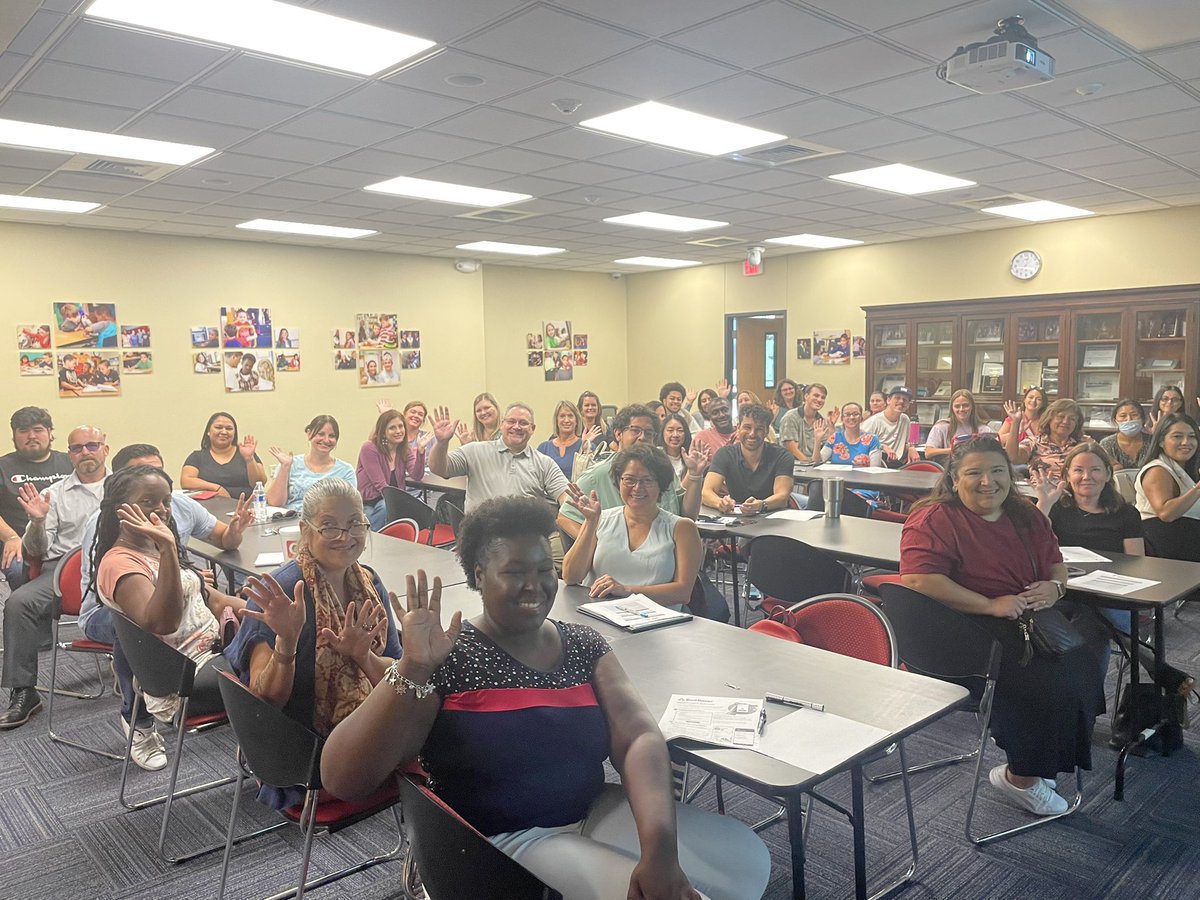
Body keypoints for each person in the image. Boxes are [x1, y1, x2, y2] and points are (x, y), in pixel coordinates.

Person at [318, 497, 771, 900]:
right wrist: (413, 668)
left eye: (543, 570)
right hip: (501, 838)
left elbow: (637, 738)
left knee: (746, 862)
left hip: (589, 808)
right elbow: (342, 778)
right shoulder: (446, 653)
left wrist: (660, 851)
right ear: (479, 574)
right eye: (514, 572)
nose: (534, 585)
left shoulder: (583, 644)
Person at [900, 437, 1106, 816]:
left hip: (1024, 620)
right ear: (954, 478)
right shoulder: (934, 518)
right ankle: (1021, 778)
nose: (987, 482)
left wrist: (1055, 587)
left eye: (997, 471)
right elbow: (918, 579)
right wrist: (990, 604)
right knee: (1041, 682)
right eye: (974, 473)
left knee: (1083, 667)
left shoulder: (1025, 514)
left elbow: (1055, 562)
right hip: (964, 626)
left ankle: (1042, 764)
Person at [225, 479, 401, 803]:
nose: (345, 537)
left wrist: (365, 657)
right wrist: (287, 642)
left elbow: (396, 679)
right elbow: (265, 702)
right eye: (329, 527)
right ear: (305, 530)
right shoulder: (282, 591)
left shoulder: (369, 584)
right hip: (304, 750)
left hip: (361, 728)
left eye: (355, 525)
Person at [91, 466, 245, 730]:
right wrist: (168, 548)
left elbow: (215, 600)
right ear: (120, 509)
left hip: (214, 653)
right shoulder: (121, 564)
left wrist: (264, 612)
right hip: (184, 682)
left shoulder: (151, 548)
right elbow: (163, 623)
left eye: (166, 501)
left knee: (290, 637)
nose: (161, 509)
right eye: (148, 501)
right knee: (295, 661)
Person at [1, 426, 109, 729]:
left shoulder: (124, 486)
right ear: (69, 454)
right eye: (77, 448)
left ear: (105, 449)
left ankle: (153, 678)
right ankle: (24, 692)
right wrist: (36, 522)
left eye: (91, 445)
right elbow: (36, 549)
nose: (85, 452)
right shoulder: (54, 494)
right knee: (18, 603)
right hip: (63, 571)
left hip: (115, 565)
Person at [563, 445, 703, 612]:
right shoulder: (599, 519)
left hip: (657, 624)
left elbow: (683, 592)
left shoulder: (682, 528)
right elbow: (571, 577)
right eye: (629, 479)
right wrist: (590, 523)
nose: (637, 488)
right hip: (599, 616)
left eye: (648, 480)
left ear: (661, 485)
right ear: (618, 481)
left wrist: (626, 591)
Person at [558, 404, 705, 541]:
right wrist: (595, 546)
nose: (642, 437)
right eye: (635, 431)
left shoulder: (663, 468)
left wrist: (695, 475)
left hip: (666, 550)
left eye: (648, 433)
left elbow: (688, 516)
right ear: (618, 434)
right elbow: (565, 517)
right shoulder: (598, 474)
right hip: (619, 557)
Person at [428, 402, 570, 516]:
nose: (516, 426)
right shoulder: (475, 451)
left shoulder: (544, 463)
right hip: (482, 539)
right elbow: (440, 469)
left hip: (525, 541)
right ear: (502, 425)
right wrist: (442, 443)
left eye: (523, 423)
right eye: (511, 421)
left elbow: (566, 495)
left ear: (532, 428)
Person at [0, 407, 74, 588]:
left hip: (67, 540)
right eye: (23, 431)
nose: (31, 436)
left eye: (38, 430)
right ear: (14, 436)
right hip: (20, 541)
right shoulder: (3, 466)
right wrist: (11, 538)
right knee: (18, 569)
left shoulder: (70, 462)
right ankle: (26, 610)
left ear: (50, 433)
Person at [702, 404, 794, 514]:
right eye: (747, 427)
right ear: (738, 427)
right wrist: (720, 503)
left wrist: (762, 505)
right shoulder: (725, 454)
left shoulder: (782, 456)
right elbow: (706, 492)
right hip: (737, 516)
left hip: (772, 516)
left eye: (759, 429)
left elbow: (782, 496)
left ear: (766, 432)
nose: (752, 434)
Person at [1134, 412, 1200, 561]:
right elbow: (1166, 513)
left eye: (1192, 436)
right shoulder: (1157, 470)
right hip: (1168, 552)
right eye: (1177, 436)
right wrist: (1198, 489)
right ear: (1161, 442)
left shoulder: (1187, 470)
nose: (1186, 442)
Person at [266, 415, 356, 512]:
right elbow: (275, 503)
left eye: (332, 436)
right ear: (309, 434)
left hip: (327, 522)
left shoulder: (345, 470)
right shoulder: (290, 464)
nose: (326, 440)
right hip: (289, 522)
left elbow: (350, 507)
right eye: (321, 434)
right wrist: (284, 467)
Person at [356, 409, 423, 531]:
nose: (398, 431)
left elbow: (417, 475)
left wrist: (420, 452)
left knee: (389, 510)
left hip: (390, 502)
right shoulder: (369, 448)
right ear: (383, 432)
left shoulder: (405, 450)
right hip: (369, 501)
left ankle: (375, 541)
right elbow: (380, 485)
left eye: (400, 426)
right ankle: (372, 542)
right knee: (384, 510)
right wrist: (396, 504)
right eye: (392, 428)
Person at [180, 412, 267, 499]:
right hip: (208, 509)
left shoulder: (246, 454)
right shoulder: (197, 457)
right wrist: (217, 488)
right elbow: (186, 481)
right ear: (208, 432)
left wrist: (249, 459)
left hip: (246, 508)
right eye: (218, 427)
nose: (224, 432)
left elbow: (259, 483)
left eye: (229, 428)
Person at [1014, 399, 1085, 482]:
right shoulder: (1033, 442)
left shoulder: (1084, 445)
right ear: (1049, 419)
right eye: (1061, 417)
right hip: (1041, 491)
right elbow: (1014, 458)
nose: (1066, 421)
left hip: (1075, 492)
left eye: (1072, 419)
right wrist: (1015, 425)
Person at [536, 400, 601, 480]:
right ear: (556, 420)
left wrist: (585, 449)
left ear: (576, 420)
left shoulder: (586, 446)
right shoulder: (544, 448)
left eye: (570, 416)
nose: (566, 420)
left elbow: (593, 478)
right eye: (562, 416)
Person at [924, 389, 994, 460]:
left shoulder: (984, 429)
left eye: (965, 405)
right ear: (952, 409)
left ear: (972, 407)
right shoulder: (941, 427)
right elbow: (928, 453)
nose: (961, 409)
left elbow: (994, 452)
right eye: (957, 406)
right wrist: (952, 450)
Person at [780, 382, 836, 465]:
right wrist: (809, 464)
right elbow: (791, 447)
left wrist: (831, 427)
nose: (819, 400)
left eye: (823, 397)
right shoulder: (791, 417)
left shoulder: (822, 421)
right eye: (816, 395)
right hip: (794, 465)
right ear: (806, 396)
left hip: (815, 464)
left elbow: (827, 448)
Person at [862, 385, 919, 465]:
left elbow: (905, 443)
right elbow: (860, 444)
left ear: (908, 405)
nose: (901, 401)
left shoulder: (905, 420)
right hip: (876, 463)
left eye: (905, 399)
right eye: (897, 398)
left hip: (897, 463)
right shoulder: (874, 421)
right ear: (888, 401)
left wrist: (911, 448)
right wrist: (882, 446)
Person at [820, 401, 884, 468]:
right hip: (837, 477)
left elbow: (875, 469)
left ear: (861, 418)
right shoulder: (835, 437)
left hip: (863, 478)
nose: (851, 417)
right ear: (842, 418)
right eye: (847, 414)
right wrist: (818, 440)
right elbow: (819, 461)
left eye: (855, 414)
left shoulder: (872, 439)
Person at [1100, 398, 1151, 470]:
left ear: (1142, 418)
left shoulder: (1152, 441)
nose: (1129, 419)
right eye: (1123, 416)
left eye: (1134, 415)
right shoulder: (1106, 444)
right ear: (1115, 420)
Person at [999, 386, 1048, 460]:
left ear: (1043, 403)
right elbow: (997, 440)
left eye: (1039, 399)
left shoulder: (1046, 421)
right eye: (1030, 397)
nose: (1033, 401)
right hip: (1017, 460)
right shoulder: (1013, 419)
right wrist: (1017, 432)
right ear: (1024, 400)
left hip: (1040, 459)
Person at [691, 395, 737, 460]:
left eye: (725, 410)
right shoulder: (701, 438)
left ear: (731, 411)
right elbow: (695, 465)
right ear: (710, 417)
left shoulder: (742, 433)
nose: (721, 415)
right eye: (715, 413)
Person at [661, 412, 692, 480]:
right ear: (662, 432)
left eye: (680, 430)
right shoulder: (656, 455)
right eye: (670, 430)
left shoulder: (691, 457)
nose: (675, 435)